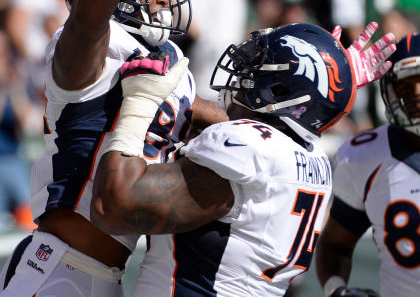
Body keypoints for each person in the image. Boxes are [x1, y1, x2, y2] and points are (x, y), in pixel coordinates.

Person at [0, 0, 226, 297]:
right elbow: (88, 19)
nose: (163, 0)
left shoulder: (171, 64)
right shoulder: (85, 44)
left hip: (114, 276)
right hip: (58, 269)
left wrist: (324, 95)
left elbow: (226, 123)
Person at [91, 22, 396, 296]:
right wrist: (334, 82)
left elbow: (112, 207)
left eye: (259, 67)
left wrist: (139, 101)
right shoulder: (312, 157)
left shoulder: (247, 148)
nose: (244, 73)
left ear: (281, 89)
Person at [316, 33, 420, 297]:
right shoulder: (366, 155)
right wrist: (337, 290)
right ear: (389, 93)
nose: (417, 95)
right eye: (405, 87)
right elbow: (335, 244)